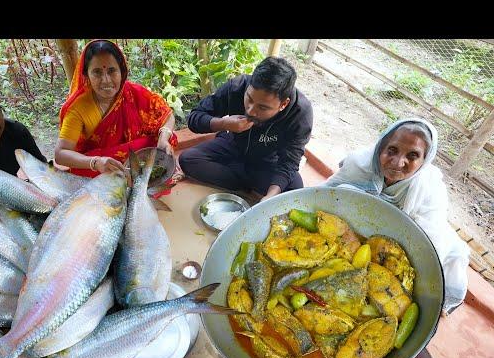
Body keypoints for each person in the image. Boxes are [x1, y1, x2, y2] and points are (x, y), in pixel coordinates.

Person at [323, 117, 470, 314]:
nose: (398, 162)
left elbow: (430, 244)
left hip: (405, 241)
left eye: (413, 155)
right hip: (362, 233)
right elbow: (325, 194)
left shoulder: (430, 190)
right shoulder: (359, 164)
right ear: (381, 147)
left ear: (424, 160)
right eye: (392, 150)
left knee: (447, 271)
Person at [177, 56, 313, 202]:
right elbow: (194, 117)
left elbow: (289, 162)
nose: (251, 111)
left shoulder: (300, 113)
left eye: (263, 107)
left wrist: (270, 197)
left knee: (295, 189)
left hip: (267, 160)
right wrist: (223, 124)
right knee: (188, 159)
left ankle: (239, 179)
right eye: (249, 98)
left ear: (283, 104)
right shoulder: (237, 87)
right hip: (232, 145)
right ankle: (246, 183)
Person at [55, 39, 177, 177]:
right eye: (97, 72)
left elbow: (167, 115)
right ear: (86, 75)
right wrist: (95, 162)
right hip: (102, 167)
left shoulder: (135, 93)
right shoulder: (78, 109)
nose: (106, 80)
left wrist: (164, 139)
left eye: (112, 71)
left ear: (122, 71)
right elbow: (60, 154)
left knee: (159, 143)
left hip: (136, 159)